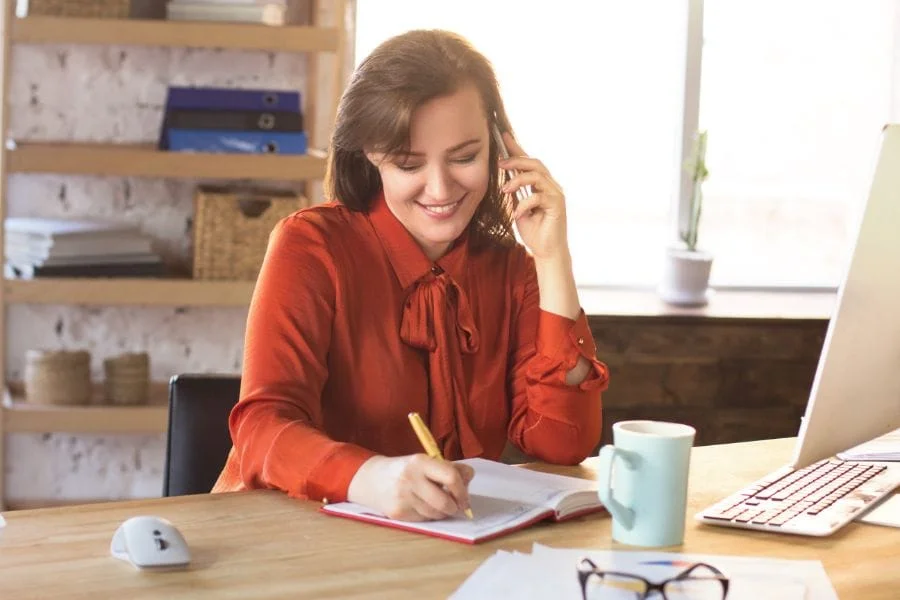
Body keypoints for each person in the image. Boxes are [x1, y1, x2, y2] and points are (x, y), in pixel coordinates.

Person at [212, 29, 610, 522]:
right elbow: (262, 427)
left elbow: (562, 443)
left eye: (465, 157)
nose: (440, 189)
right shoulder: (311, 246)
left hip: (436, 549)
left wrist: (553, 258)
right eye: (408, 163)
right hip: (288, 534)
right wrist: (368, 477)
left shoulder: (512, 269)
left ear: (498, 147)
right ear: (369, 154)